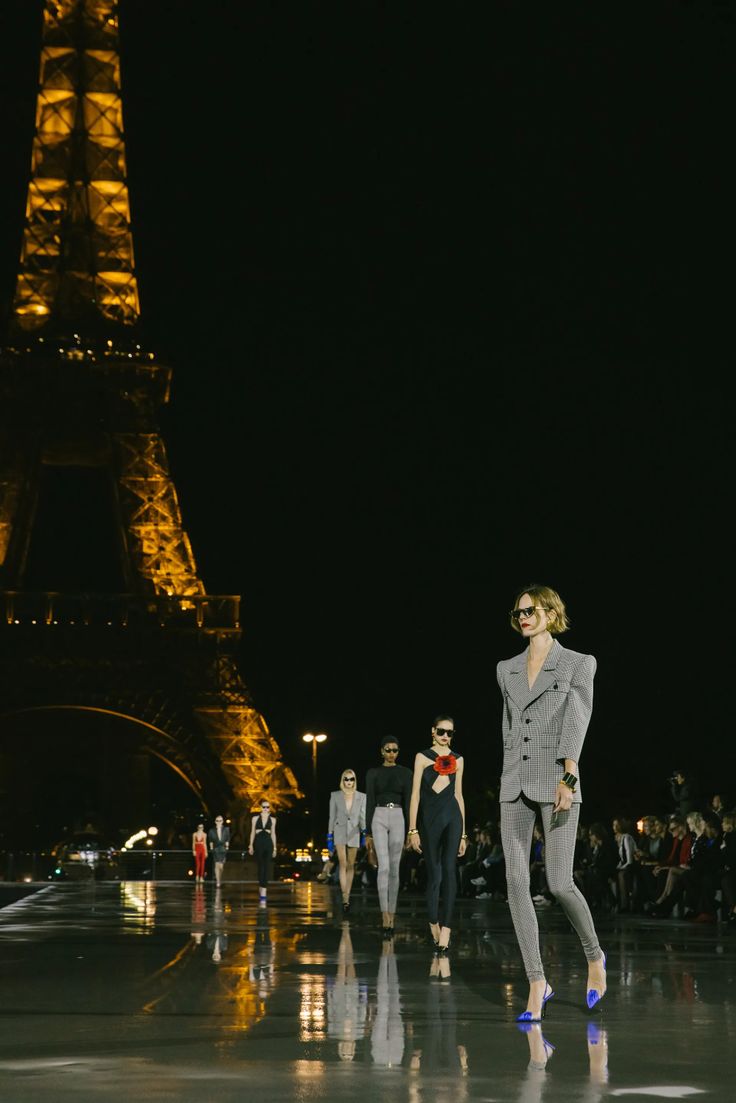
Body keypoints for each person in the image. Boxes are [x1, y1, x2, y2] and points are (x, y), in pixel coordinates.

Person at [497, 584, 606, 1022]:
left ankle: (594, 957)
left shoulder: (578, 663)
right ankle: (536, 981)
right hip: (514, 783)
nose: (523, 617)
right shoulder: (505, 668)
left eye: (531, 610)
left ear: (551, 613)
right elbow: (508, 725)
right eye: (518, 611)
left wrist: (568, 774)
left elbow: (578, 720)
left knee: (560, 882)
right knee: (516, 885)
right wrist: (507, 774)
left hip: (558, 780)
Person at [408, 714, 467, 954]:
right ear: (432, 731)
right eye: (441, 731)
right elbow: (415, 795)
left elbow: (459, 795)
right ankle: (433, 921)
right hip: (429, 820)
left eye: (449, 733)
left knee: (450, 870)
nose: (445, 736)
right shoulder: (422, 757)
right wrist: (412, 829)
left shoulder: (459, 759)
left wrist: (464, 833)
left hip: (453, 817)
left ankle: (447, 929)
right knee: (434, 874)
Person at [364, 734, 413, 937]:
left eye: (395, 750)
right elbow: (369, 801)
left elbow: (410, 801)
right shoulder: (373, 773)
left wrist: (412, 830)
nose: (392, 753)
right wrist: (367, 833)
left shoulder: (406, 773)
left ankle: (392, 913)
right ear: (382, 751)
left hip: (399, 815)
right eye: (388, 749)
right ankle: (385, 915)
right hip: (379, 814)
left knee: (394, 868)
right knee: (383, 867)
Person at [327, 768, 367, 914]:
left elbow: (363, 817)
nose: (349, 782)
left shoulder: (362, 797)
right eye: (346, 778)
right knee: (343, 863)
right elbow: (331, 816)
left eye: (351, 779)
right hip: (339, 830)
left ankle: (347, 894)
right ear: (342, 780)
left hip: (354, 832)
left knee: (351, 865)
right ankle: (345, 898)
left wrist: (364, 833)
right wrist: (329, 835)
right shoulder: (335, 795)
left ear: (355, 780)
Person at [248, 798, 277, 903]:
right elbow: (252, 832)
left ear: (269, 808)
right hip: (259, 842)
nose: (265, 809)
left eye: (267, 807)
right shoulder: (255, 818)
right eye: (264, 807)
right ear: (260, 808)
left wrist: (275, 848)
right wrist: (250, 845)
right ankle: (261, 886)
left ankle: (264, 889)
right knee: (261, 866)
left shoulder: (273, 820)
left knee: (267, 866)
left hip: (268, 843)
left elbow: (273, 834)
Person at [208, 814, 230, 887]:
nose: (219, 822)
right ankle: (218, 882)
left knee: (221, 866)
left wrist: (227, 847)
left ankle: (220, 879)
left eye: (220, 821)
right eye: (217, 821)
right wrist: (211, 849)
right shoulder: (212, 831)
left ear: (222, 821)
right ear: (215, 821)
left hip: (223, 849)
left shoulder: (226, 829)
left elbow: (227, 839)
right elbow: (210, 840)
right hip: (216, 849)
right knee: (217, 865)